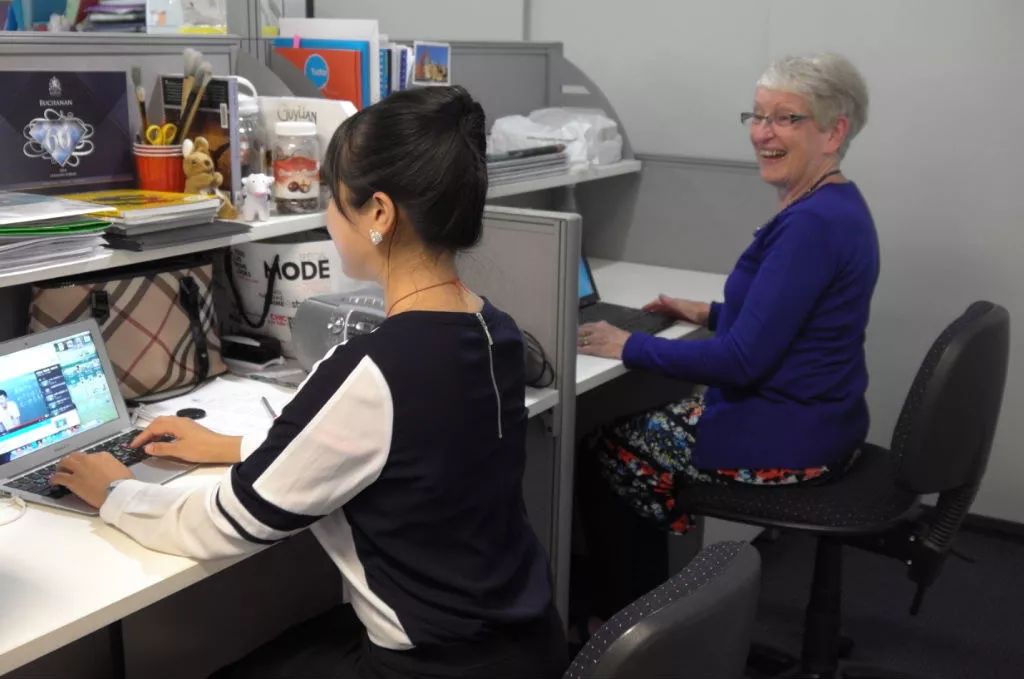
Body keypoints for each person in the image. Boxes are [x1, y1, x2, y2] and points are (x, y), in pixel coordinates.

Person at [50, 85, 568, 679]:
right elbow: (409, 451)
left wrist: (117, 492)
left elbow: (225, 525)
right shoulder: (494, 330)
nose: (326, 215)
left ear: (378, 213)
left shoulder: (373, 370)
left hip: (432, 667)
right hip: (523, 646)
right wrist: (234, 447)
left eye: (332, 198)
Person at [576, 53, 878, 624]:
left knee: (611, 445)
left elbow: (742, 362)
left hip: (790, 437)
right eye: (757, 115)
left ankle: (630, 627)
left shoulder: (811, 224)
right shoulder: (835, 204)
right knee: (635, 420)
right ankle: (634, 606)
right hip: (825, 419)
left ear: (834, 130)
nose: (763, 133)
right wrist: (709, 310)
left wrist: (628, 345)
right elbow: (792, 316)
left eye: (786, 118)